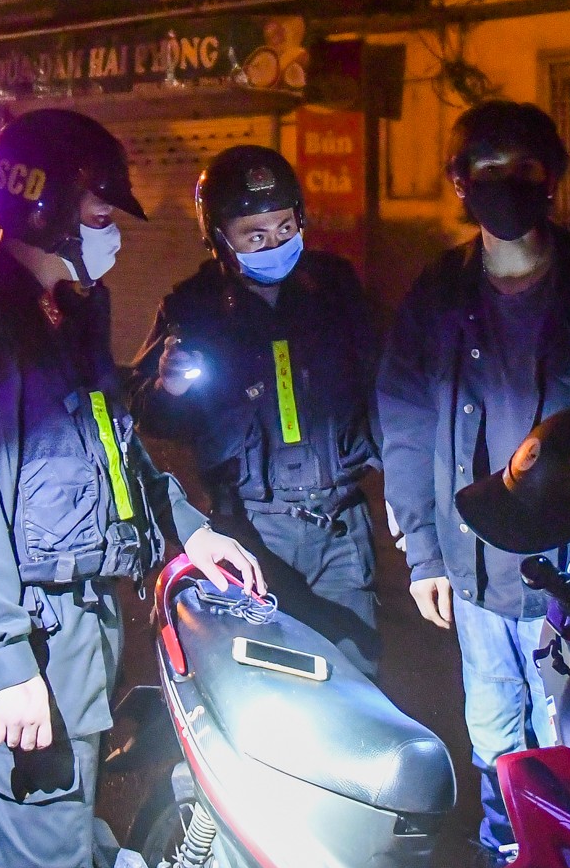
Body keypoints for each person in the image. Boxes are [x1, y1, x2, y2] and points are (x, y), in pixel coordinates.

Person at [0, 108, 262, 868]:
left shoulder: (64, 315)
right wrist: (7, 666)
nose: (113, 236)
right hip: (34, 636)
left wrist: (188, 528)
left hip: (77, 630)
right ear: (48, 211)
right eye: (100, 215)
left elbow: (114, 450)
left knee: (24, 839)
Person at [377, 98, 570, 867]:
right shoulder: (438, 294)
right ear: (460, 182)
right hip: (474, 572)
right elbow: (404, 420)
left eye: (524, 168)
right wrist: (423, 551)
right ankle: (509, 863)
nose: (505, 183)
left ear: (552, 176)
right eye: (488, 168)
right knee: (494, 732)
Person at [129, 145, 382, 674]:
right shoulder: (191, 308)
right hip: (251, 530)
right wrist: (169, 388)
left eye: (285, 228)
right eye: (256, 236)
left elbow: (387, 387)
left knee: (354, 679)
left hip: (340, 527)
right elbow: (148, 416)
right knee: (271, 684)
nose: (275, 245)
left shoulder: (334, 288)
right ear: (219, 237)